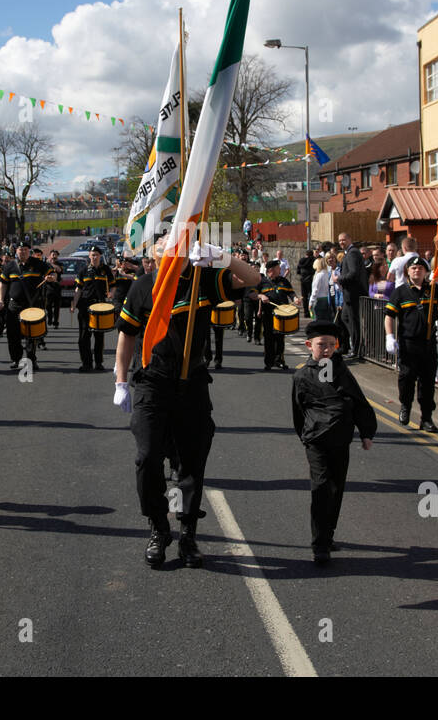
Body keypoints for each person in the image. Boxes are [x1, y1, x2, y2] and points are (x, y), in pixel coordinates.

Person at [113, 240, 257, 568]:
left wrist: (221, 256)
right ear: (154, 258)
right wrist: (121, 381)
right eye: (166, 248)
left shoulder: (202, 282)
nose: (176, 252)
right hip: (152, 383)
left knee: (190, 463)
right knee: (148, 458)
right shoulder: (142, 288)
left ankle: (188, 533)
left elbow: (253, 279)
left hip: (191, 383)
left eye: (180, 248)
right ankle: (158, 527)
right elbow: (127, 335)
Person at [291, 321, 376, 564]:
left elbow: (358, 401)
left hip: (341, 439)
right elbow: (298, 412)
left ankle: (327, 536)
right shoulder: (302, 376)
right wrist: (306, 437)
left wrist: (366, 432)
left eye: (331, 345)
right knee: (321, 488)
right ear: (309, 345)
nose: (327, 349)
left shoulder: (342, 371)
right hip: (316, 441)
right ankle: (319, 545)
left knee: (336, 488)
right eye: (321, 345)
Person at [384, 255, 438, 432]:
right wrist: (390, 336)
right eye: (413, 268)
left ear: (426, 272)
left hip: (428, 343)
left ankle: (426, 418)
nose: (417, 270)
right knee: (407, 378)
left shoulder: (433, 289)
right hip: (408, 343)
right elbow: (389, 316)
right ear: (408, 271)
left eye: (420, 268)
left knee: (427, 382)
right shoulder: (400, 292)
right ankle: (405, 406)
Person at [0, 241, 53, 371]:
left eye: (25, 249)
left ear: (29, 251)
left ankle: (31, 360)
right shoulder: (10, 266)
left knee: (31, 334)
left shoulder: (38, 264)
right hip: (14, 305)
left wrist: (52, 277)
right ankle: (16, 359)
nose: (22, 252)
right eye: (20, 249)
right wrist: (0, 300)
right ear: (16, 251)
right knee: (12, 334)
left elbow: (51, 273)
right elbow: (3, 284)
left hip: (32, 305)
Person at [74, 246, 114, 373]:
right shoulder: (83, 270)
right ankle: (86, 363)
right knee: (84, 337)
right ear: (89, 256)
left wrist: (111, 295)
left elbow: (113, 286)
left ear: (100, 256)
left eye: (96, 254)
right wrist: (73, 304)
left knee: (99, 337)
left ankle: (98, 363)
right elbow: (78, 289)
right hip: (85, 307)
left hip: (100, 307)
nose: (94, 257)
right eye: (92, 255)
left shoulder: (105, 270)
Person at [259, 258, 297, 371]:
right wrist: (261, 296)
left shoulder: (284, 281)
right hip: (268, 314)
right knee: (269, 338)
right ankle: (269, 362)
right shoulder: (262, 282)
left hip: (282, 314)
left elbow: (291, 292)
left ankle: (279, 360)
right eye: (277, 268)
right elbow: (253, 294)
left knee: (280, 338)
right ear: (271, 270)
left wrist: (295, 298)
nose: (280, 269)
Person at [337, 232, 366, 359]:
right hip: (349, 294)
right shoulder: (349, 253)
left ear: (350, 239)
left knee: (353, 321)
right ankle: (350, 346)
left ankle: (356, 349)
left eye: (344, 240)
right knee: (345, 318)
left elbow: (353, 273)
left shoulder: (353, 253)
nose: (341, 242)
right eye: (339, 240)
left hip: (353, 293)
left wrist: (339, 279)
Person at [44, 249, 64, 329]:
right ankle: (50, 316)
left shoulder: (59, 264)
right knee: (48, 305)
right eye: (53, 254)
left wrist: (51, 263)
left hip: (57, 286)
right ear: (50, 255)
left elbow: (59, 270)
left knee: (57, 306)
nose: (54, 256)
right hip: (48, 286)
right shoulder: (46, 264)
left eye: (56, 255)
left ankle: (56, 322)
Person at [298, 247, 316, 318]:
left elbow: (298, 271)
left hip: (303, 280)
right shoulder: (313, 260)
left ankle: (306, 312)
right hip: (310, 279)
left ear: (306, 254)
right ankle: (312, 312)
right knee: (311, 295)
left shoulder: (301, 261)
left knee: (304, 297)